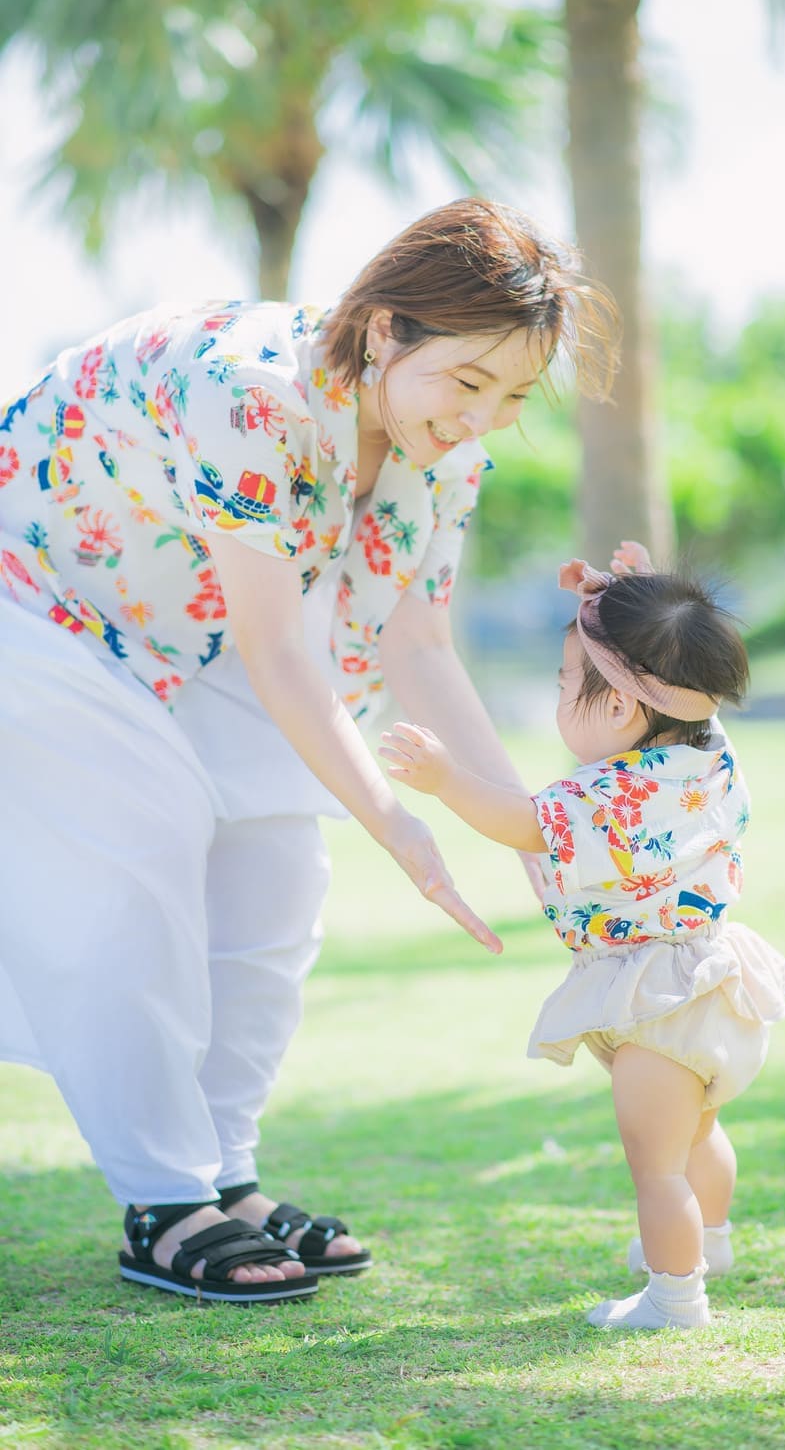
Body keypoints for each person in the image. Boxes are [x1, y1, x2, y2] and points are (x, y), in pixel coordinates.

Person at [0, 198, 619, 1304]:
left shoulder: (443, 449)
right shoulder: (256, 396)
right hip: (38, 596)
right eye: (467, 382)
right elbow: (285, 655)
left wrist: (536, 834)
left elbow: (419, 640)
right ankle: (162, 1197)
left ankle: (224, 1176)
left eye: (514, 396)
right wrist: (400, 823)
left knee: (280, 871)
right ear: (383, 331)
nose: (483, 417)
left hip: (187, 617)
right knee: (141, 838)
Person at [381, 541, 785, 1331]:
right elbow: (671, 673)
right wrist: (622, 596)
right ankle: (709, 1240)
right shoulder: (708, 753)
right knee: (700, 1133)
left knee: (655, 1169)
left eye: (567, 684)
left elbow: (522, 822)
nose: (560, 696)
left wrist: (444, 779)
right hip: (713, 978)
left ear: (617, 708)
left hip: (654, 1000)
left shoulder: (607, 796)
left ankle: (675, 1299)